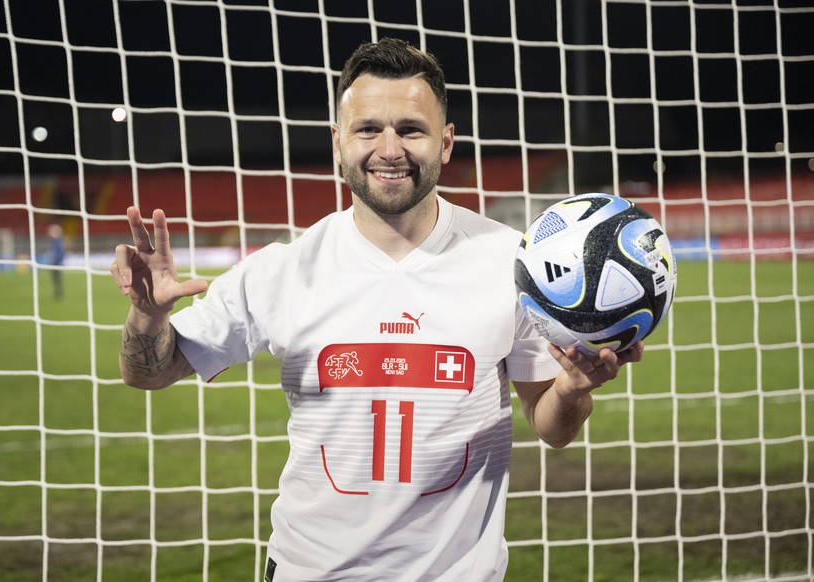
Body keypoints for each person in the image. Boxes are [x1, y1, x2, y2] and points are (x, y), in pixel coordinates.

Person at [110, 37, 644, 582]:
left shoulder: (512, 263)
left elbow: (551, 427)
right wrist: (147, 318)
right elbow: (146, 373)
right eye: (368, 129)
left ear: (447, 143)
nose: (390, 149)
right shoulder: (281, 269)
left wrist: (573, 390)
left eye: (411, 129)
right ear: (339, 143)